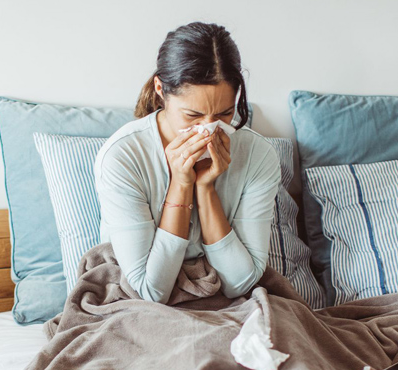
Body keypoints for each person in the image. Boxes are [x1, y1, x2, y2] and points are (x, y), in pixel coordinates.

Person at [94, 21, 281, 304]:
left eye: (224, 114)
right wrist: (181, 184)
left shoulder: (258, 155)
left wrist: (206, 190)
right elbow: (150, 291)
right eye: (193, 115)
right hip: (140, 305)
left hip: (228, 303)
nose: (209, 129)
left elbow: (240, 283)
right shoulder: (123, 157)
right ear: (160, 89)